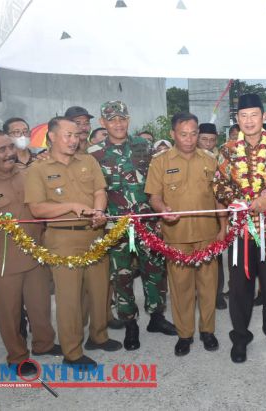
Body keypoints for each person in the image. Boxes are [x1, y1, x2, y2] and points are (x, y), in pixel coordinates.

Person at [25, 116, 122, 367]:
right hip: (63, 238)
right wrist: (71, 207)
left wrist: (99, 212)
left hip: (94, 234)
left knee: (100, 291)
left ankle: (98, 336)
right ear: (52, 137)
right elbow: (36, 209)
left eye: (77, 135)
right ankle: (72, 352)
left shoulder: (88, 161)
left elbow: (100, 191)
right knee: (69, 299)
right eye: (67, 135)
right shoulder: (38, 169)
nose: (74, 140)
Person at [0, 130, 59, 375]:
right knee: (9, 313)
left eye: (11, 147)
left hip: (35, 255)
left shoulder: (28, 174)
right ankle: (17, 357)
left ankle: (44, 344)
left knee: (40, 306)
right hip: (2, 263)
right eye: (2, 149)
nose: (10, 153)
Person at [213, 93, 266, 363]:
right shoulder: (226, 150)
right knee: (239, 288)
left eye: (254, 115)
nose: (249, 121)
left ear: (264, 116)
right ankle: (240, 337)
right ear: (237, 119)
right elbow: (218, 184)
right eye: (243, 116)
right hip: (240, 230)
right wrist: (234, 201)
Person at [88, 101, 174, 351]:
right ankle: (131, 324)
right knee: (122, 276)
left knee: (155, 271)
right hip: (116, 226)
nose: (118, 123)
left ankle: (156, 317)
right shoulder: (93, 154)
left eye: (122, 118)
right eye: (112, 119)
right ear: (103, 123)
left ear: (128, 119)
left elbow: (160, 181)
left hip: (147, 222)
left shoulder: (144, 146)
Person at [146, 112, 225, 356]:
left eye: (193, 133)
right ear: (172, 134)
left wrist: (223, 227)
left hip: (207, 234)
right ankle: (184, 334)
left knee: (208, 286)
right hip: (176, 235)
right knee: (180, 288)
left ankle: (207, 331)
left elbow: (220, 197)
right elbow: (154, 196)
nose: (189, 139)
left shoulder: (211, 160)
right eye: (183, 134)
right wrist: (162, 210)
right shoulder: (160, 161)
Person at [197, 123, 227, 310]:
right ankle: (195, 294)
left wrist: (223, 224)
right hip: (194, 214)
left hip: (215, 214)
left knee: (215, 257)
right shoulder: (190, 157)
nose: (208, 144)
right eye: (204, 139)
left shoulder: (220, 159)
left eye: (212, 140)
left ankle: (217, 294)